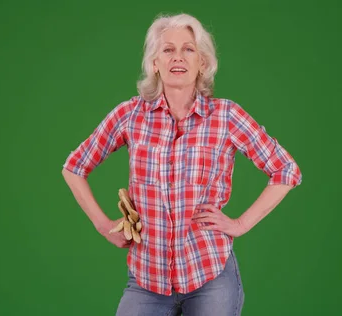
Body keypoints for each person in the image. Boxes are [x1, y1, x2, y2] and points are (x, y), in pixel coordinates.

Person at [61, 12, 302, 316]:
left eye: (188, 49)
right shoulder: (129, 116)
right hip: (147, 279)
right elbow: (74, 167)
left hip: (210, 277)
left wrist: (239, 225)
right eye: (168, 50)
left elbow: (286, 170)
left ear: (202, 62)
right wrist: (103, 225)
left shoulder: (226, 116)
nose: (178, 57)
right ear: (154, 63)